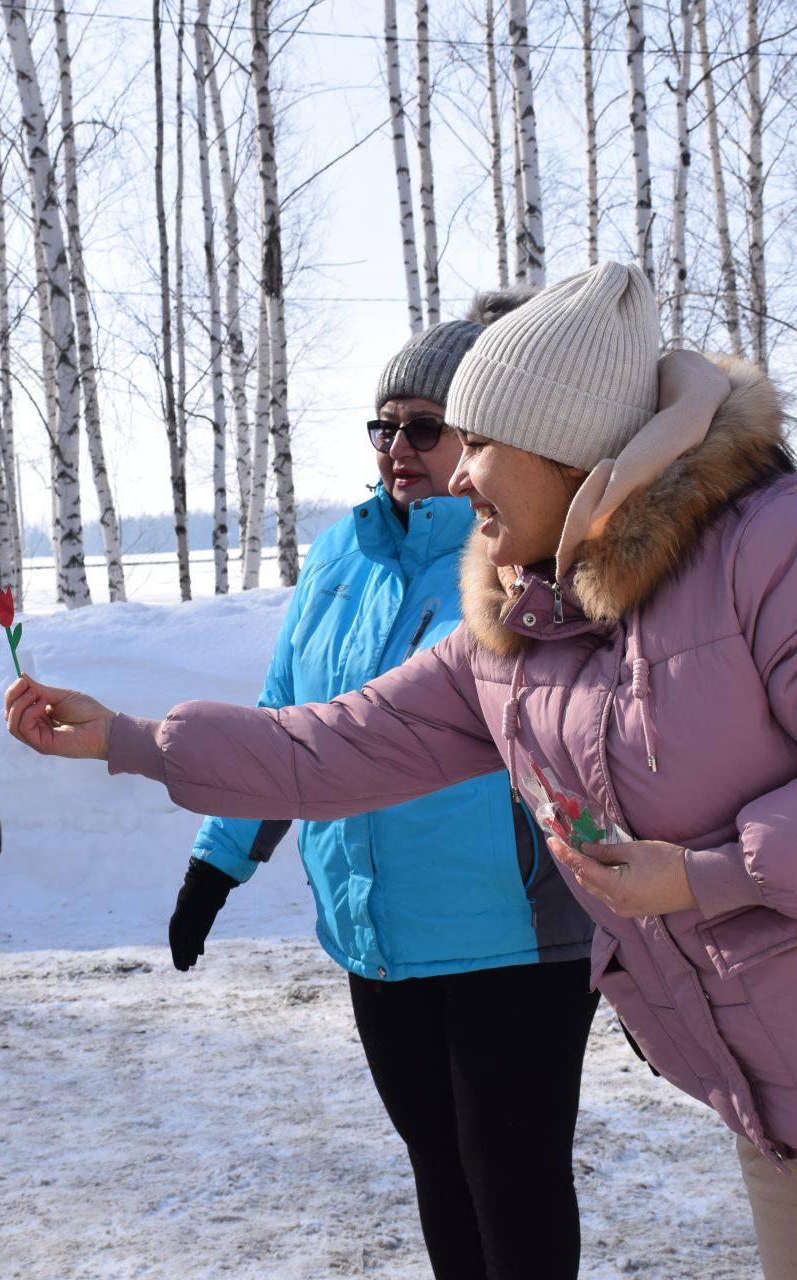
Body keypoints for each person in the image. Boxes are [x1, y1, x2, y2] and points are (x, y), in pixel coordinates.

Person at [4, 263, 797, 1280]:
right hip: (787, 1113)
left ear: (572, 450)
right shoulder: (521, 626)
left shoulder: (784, 546)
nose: (460, 474)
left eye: (478, 442)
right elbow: (333, 742)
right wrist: (131, 739)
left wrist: (704, 873)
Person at [166, 292, 597, 1280]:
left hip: (512, 939)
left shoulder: (516, 558)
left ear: (482, 437)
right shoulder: (340, 553)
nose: (396, 444)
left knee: (515, 1186)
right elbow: (287, 723)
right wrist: (218, 861)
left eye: (424, 425)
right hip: (379, 939)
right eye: (384, 423)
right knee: (440, 1176)